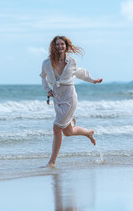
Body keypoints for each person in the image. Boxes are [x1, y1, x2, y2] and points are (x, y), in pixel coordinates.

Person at [40, 36, 103, 168]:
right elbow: (43, 77)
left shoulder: (72, 61)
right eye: (57, 44)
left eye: (62, 44)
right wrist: (48, 90)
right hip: (57, 98)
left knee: (56, 128)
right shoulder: (46, 63)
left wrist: (93, 80)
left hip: (69, 97)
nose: (60, 47)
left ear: (66, 46)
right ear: (53, 46)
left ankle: (51, 162)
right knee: (67, 132)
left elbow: (80, 73)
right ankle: (88, 133)